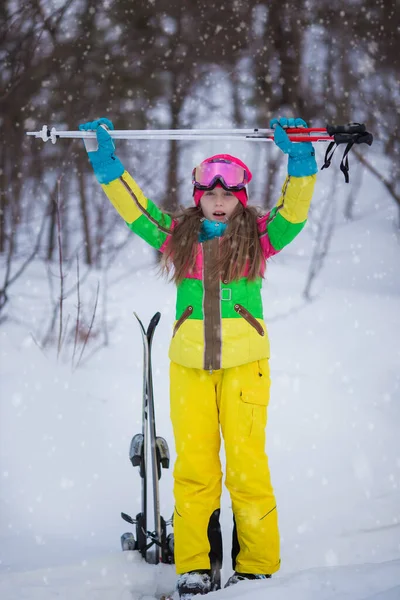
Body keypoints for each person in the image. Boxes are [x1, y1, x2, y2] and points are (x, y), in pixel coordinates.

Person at [79, 116, 317, 597]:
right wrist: (106, 165)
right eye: (210, 192)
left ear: (242, 199)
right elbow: (137, 212)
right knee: (195, 470)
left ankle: (256, 567)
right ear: (198, 195)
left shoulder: (259, 239)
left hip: (246, 369)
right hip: (189, 368)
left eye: (229, 193)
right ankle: (194, 566)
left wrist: (300, 159)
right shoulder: (179, 238)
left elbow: (293, 213)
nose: (219, 200)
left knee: (247, 467)